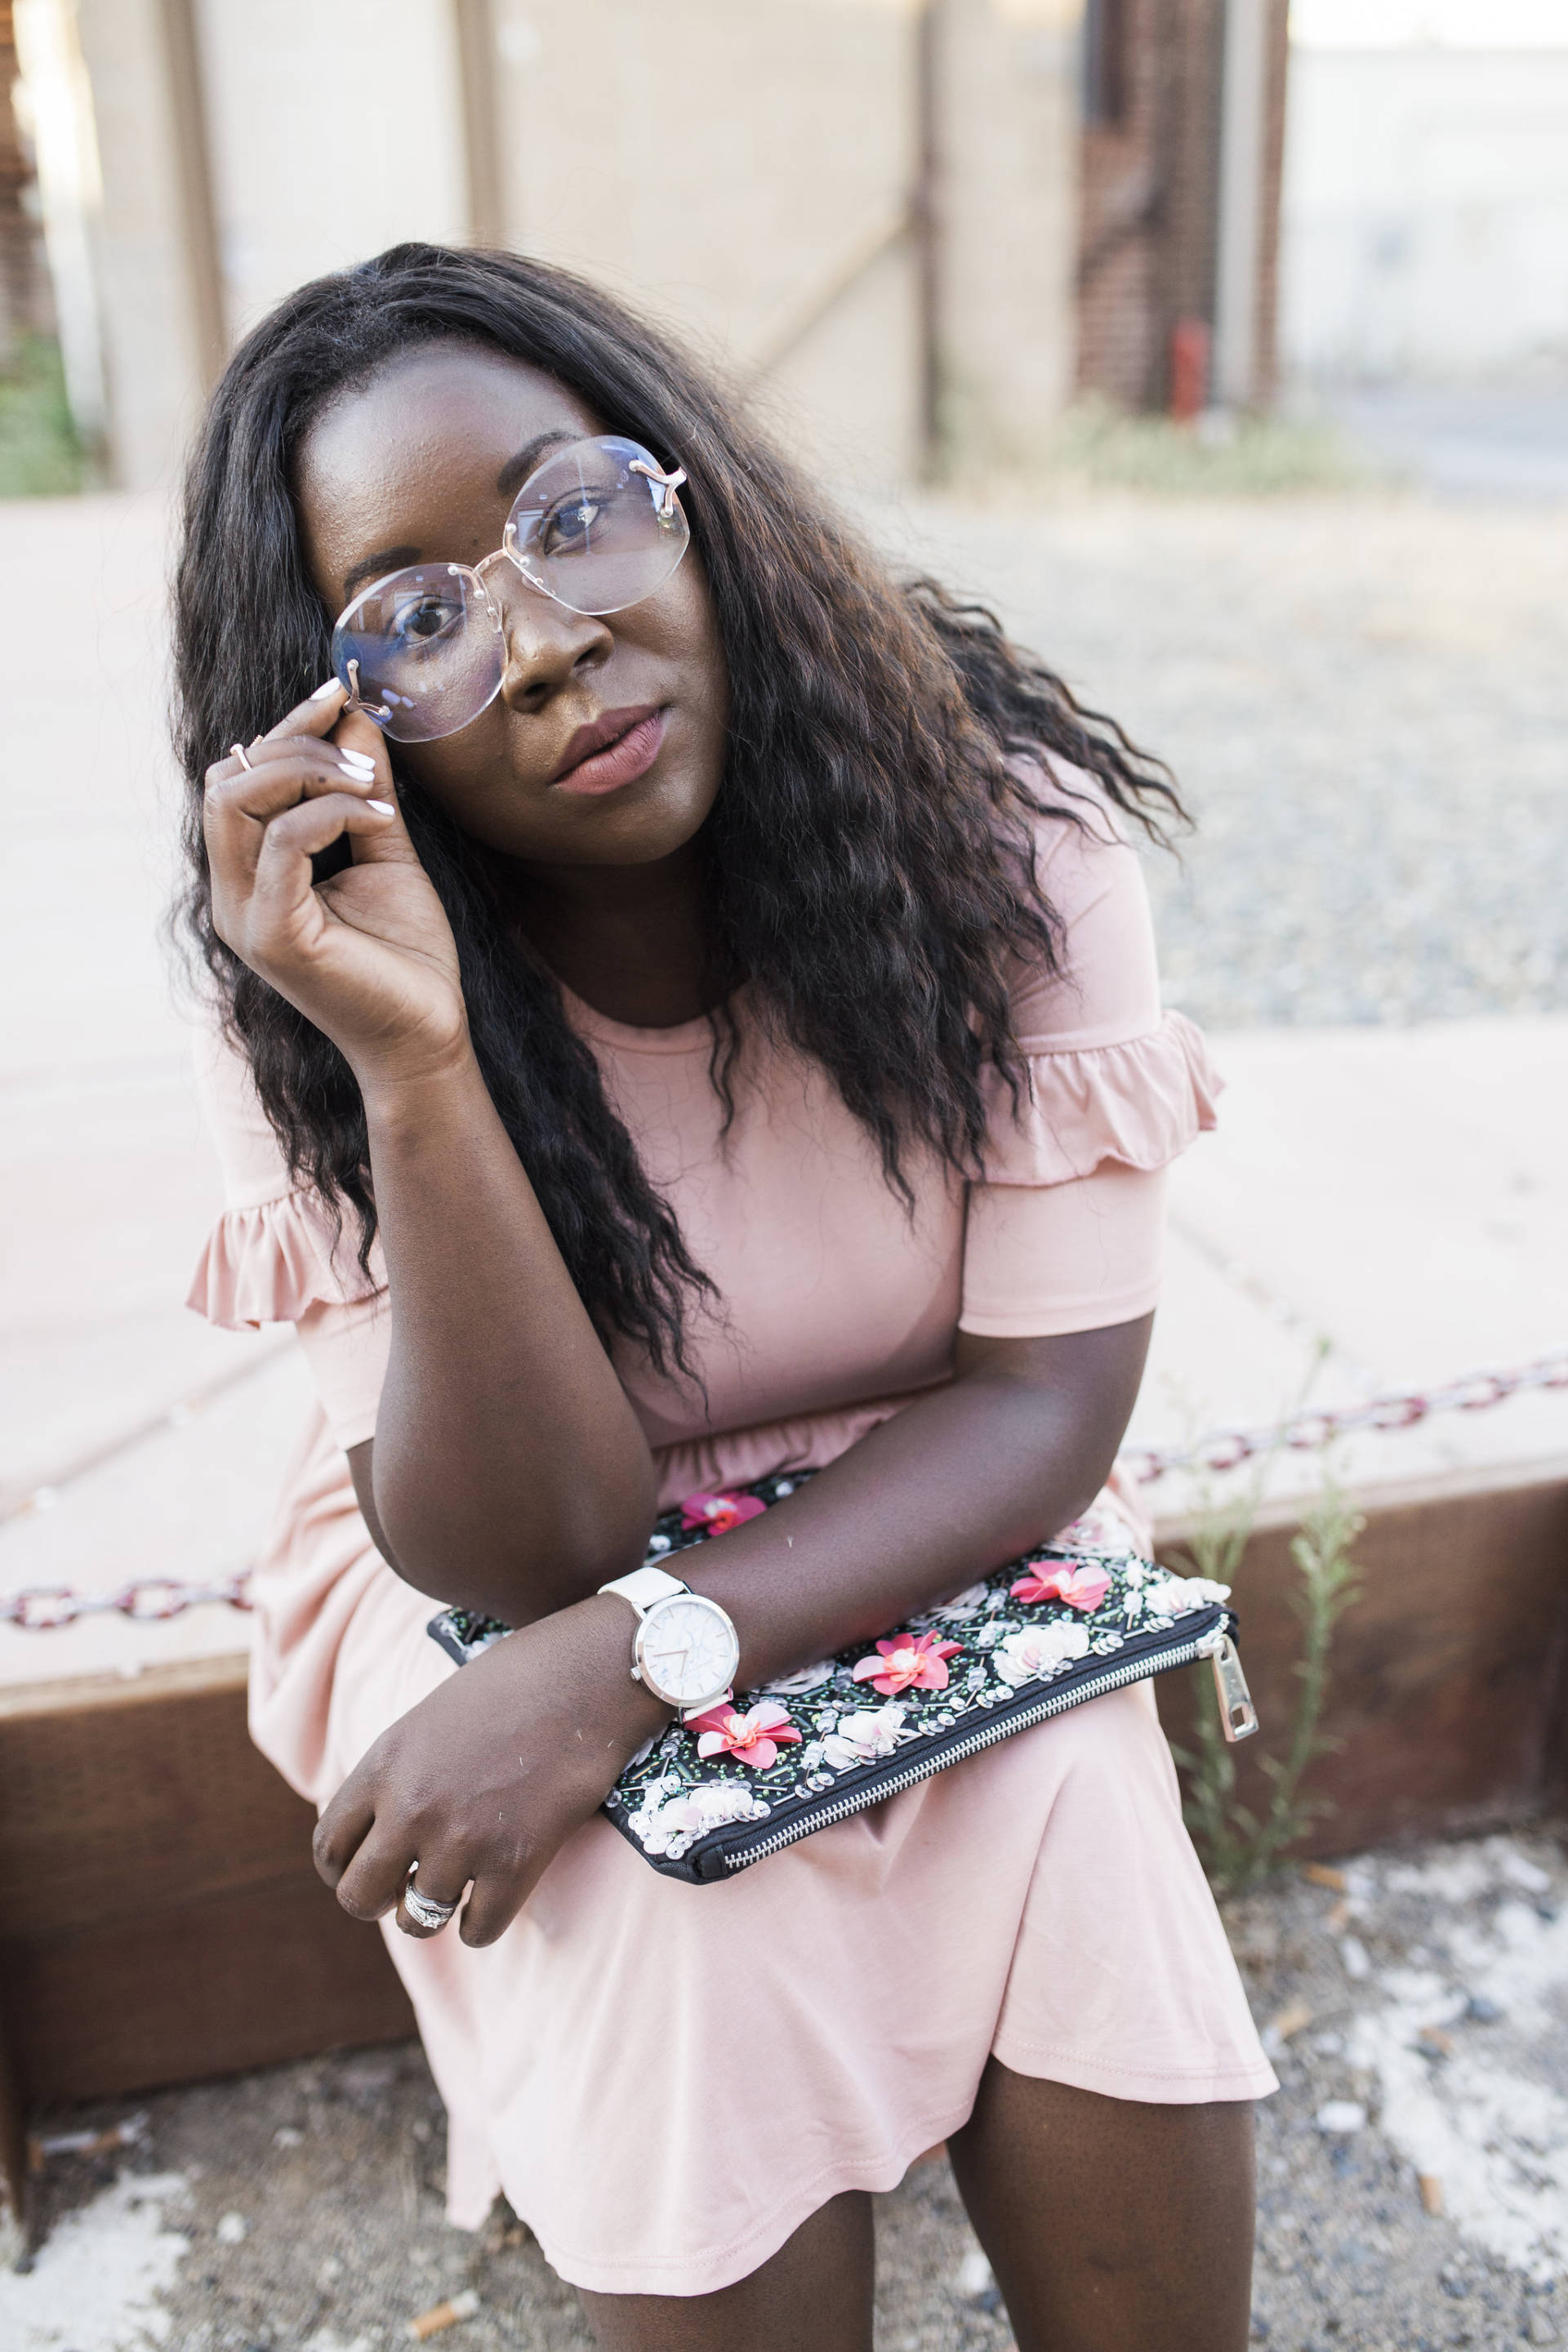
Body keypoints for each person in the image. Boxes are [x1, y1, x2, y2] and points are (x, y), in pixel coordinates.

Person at [176, 243, 1275, 2352]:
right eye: (419, 624)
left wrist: (635, 1661)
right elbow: (529, 1543)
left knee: (1066, 1796)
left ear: (692, 497)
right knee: (672, 1913)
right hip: (483, 1550)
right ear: (338, 722)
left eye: (572, 513)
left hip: (932, 1486)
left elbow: (1048, 1412)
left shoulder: (1002, 838)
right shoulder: (312, 982)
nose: (555, 644)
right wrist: (414, 1064)